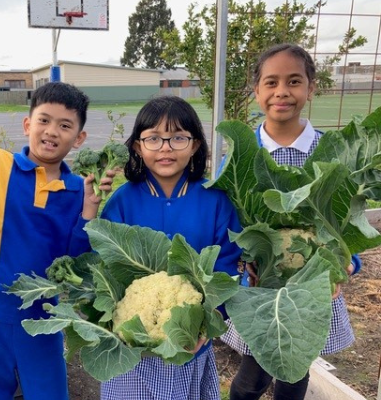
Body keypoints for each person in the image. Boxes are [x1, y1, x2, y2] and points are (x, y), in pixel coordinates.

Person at [0, 81, 113, 400]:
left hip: (43, 322)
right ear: (27, 124)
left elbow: (74, 261)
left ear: (79, 139)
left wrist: (90, 209)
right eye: (44, 120)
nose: (51, 131)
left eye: (65, 125)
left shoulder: (78, 189)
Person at [220, 43, 361, 400]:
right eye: (271, 83)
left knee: (296, 370)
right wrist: (241, 265)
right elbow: (226, 220)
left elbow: (350, 219)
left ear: (311, 88)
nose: (282, 92)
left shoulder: (332, 151)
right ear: (256, 92)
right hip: (259, 290)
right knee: (251, 379)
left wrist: (346, 262)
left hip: (314, 288)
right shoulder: (241, 153)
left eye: (294, 81)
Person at [98, 95, 243, 400]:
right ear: (138, 146)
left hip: (191, 344)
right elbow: (103, 269)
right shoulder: (122, 202)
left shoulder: (215, 200)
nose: (165, 147)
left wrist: (206, 324)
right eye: (153, 138)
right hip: (132, 352)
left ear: (195, 146)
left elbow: (227, 269)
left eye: (178, 137)